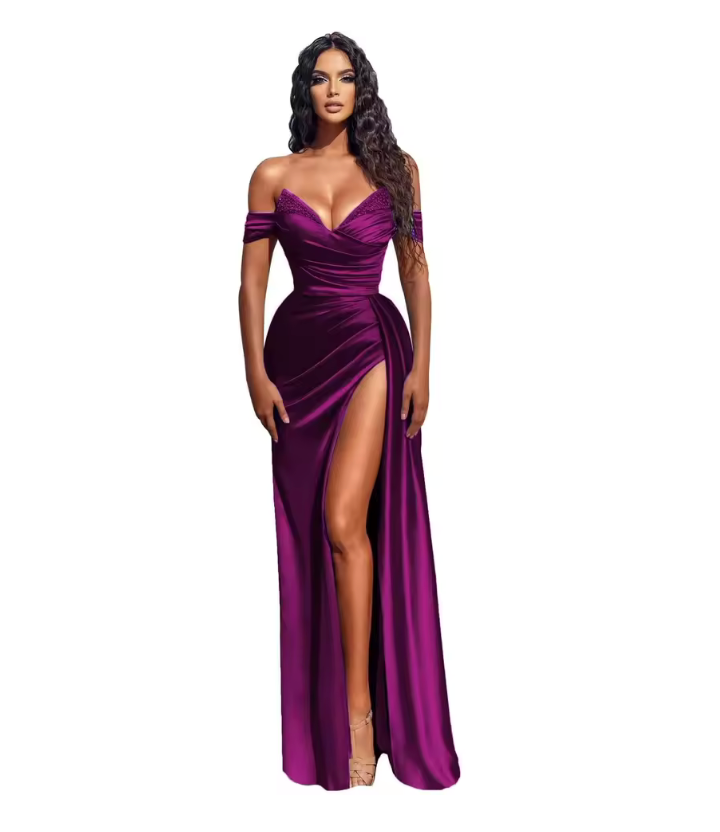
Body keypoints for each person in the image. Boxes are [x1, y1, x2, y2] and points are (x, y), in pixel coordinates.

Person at [239, 31, 460, 791]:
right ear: (305, 90)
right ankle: (333, 716)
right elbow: (250, 284)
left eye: (345, 78)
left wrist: (423, 364)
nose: (332, 90)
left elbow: (417, 273)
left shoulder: (397, 170)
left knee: (344, 523)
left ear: (362, 90)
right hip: (297, 359)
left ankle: (361, 714)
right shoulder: (273, 176)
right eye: (320, 78)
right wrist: (254, 374)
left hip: (369, 342)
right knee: (312, 533)